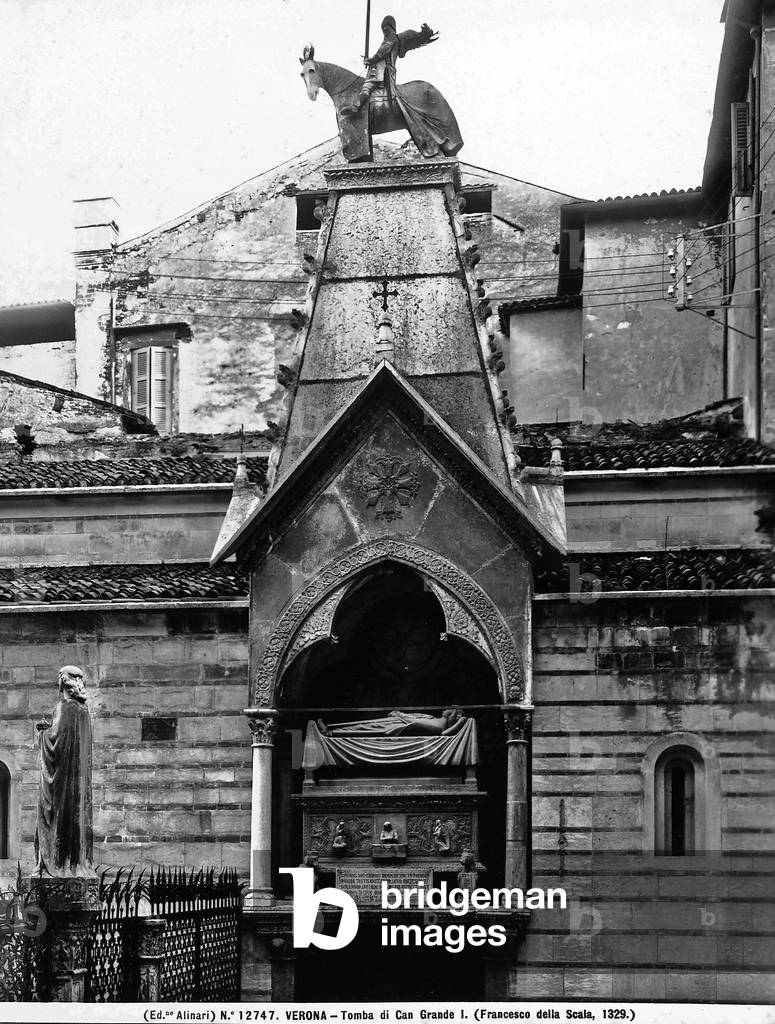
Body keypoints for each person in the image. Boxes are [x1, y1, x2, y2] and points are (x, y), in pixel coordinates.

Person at [34, 666, 94, 877]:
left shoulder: (64, 707)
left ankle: (58, 864)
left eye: (60, 678)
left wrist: (43, 732)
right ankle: (76, 863)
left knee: (55, 820)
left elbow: (55, 744)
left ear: (65, 682)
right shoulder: (84, 712)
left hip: (62, 786)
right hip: (78, 786)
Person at [341, 15, 437, 116]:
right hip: (380, 70)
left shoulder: (392, 38)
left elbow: (383, 52)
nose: (384, 29)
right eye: (383, 27)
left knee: (367, 86)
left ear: (392, 27)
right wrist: (370, 60)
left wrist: (371, 60)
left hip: (384, 71)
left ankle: (356, 107)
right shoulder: (388, 39)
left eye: (386, 26)